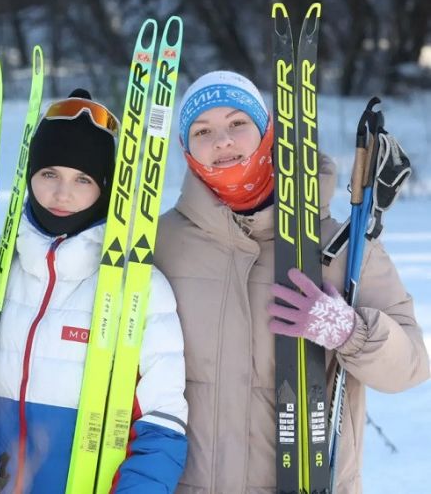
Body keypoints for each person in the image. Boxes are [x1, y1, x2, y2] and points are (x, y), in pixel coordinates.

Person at [154, 70, 430, 492]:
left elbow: (410, 366)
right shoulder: (159, 244)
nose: (222, 141)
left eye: (237, 123)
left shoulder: (340, 248)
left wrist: (350, 333)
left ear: (267, 132)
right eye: (202, 130)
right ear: (186, 149)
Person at [0, 89, 189, 493]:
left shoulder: (138, 287)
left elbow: (163, 425)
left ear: (105, 189)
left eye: (82, 179)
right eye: (50, 173)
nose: (62, 194)